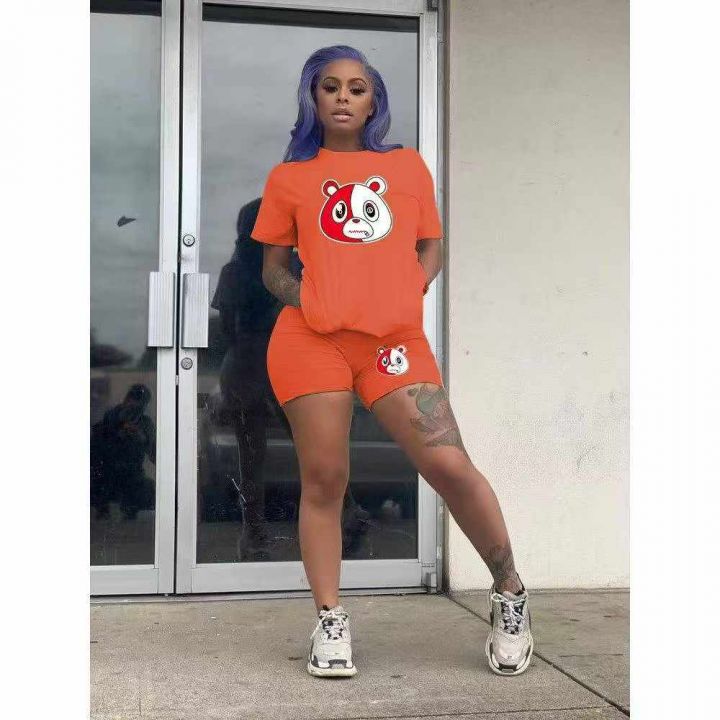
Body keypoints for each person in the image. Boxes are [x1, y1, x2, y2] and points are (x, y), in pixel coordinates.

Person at [251, 44, 533, 679]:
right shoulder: (290, 177)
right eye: (330, 86)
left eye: (357, 88)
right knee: (325, 479)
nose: (343, 97)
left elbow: (432, 245)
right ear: (313, 96)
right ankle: (330, 619)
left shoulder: (405, 167)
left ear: (373, 99)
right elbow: (272, 269)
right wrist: (308, 298)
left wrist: (411, 289)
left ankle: (509, 591)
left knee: (448, 464)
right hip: (311, 343)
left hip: (394, 344)